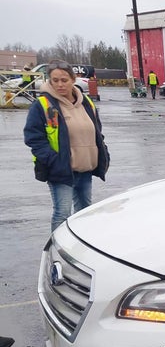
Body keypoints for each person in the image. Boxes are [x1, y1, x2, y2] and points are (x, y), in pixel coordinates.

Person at [23, 60, 110, 232]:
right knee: (62, 214)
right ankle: (57, 250)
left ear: (73, 79)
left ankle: (83, 246)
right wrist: (53, 160)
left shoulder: (86, 103)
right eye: (55, 80)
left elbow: (97, 133)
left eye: (64, 80)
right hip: (61, 170)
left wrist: (103, 153)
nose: (60, 84)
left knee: (84, 212)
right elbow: (33, 138)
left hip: (85, 169)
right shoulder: (43, 106)